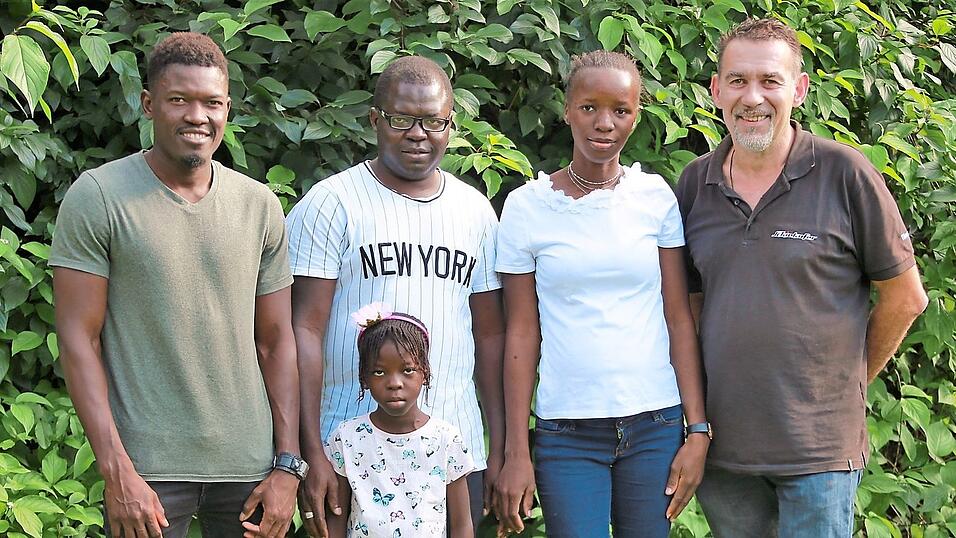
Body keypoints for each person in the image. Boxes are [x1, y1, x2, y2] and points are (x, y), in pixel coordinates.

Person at [675, 18, 928, 538]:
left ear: (799, 88)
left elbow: (905, 298)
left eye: (770, 80)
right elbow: (690, 304)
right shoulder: (694, 183)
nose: (753, 97)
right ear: (716, 89)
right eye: (739, 81)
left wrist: (852, 382)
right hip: (724, 451)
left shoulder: (846, 173)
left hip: (819, 452)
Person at [50, 32, 303, 538]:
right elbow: (79, 340)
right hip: (147, 470)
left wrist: (287, 465)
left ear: (227, 108)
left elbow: (276, 342)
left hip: (250, 469)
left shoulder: (259, 205)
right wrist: (115, 469)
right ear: (148, 104)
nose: (197, 116)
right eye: (178, 100)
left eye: (211, 103)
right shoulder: (99, 197)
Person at [286, 55, 505, 537]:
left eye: (434, 121)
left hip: (451, 451)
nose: (418, 133)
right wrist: (308, 450)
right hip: (346, 452)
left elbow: (490, 336)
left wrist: (502, 448)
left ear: (451, 124)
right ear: (375, 121)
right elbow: (301, 330)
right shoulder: (331, 204)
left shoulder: (475, 212)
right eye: (401, 119)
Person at [493, 50, 709, 538]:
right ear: (566, 109)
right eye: (589, 107)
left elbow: (678, 318)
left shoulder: (654, 198)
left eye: (621, 110)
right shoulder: (527, 208)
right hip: (566, 434)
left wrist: (697, 429)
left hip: (655, 425)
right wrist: (515, 452)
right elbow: (521, 333)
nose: (604, 123)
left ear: (636, 115)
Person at [323, 303, 475, 538]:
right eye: (380, 372)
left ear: (424, 372)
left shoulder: (446, 439)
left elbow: (462, 525)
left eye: (407, 370)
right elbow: (336, 520)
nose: (395, 382)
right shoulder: (347, 438)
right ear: (364, 378)